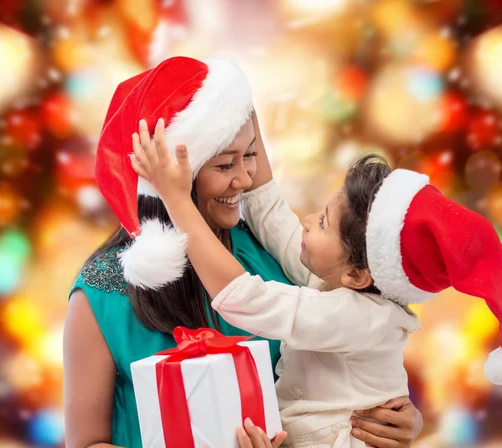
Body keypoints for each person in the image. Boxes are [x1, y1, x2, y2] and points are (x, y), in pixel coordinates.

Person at [63, 56, 424, 448]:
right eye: (224, 164)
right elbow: (85, 442)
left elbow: (349, 366)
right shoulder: (103, 292)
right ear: (170, 179)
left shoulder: (271, 255)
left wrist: (391, 416)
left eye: (250, 155)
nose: (245, 178)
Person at [130, 111, 502, 447]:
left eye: (323, 221)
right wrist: (239, 102)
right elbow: (269, 209)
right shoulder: (342, 278)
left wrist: (177, 200)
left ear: (357, 274)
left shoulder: (361, 317)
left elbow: (245, 299)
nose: (307, 220)